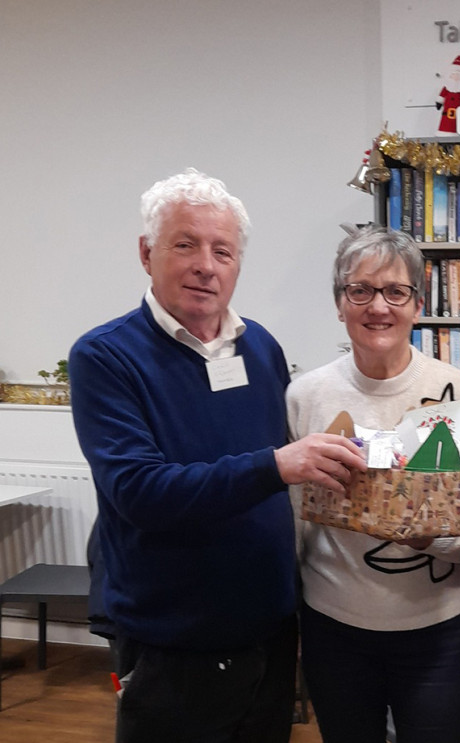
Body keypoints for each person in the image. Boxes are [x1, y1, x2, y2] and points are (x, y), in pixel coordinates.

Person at [68, 168, 366, 743]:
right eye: (186, 244)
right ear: (146, 253)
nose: (206, 265)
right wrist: (275, 466)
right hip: (173, 644)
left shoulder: (260, 347)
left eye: (222, 251)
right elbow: (139, 492)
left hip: (268, 631)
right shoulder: (105, 358)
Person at [286, 226, 460, 743]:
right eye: (360, 290)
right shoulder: (305, 396)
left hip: (434, 631)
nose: (378, 306)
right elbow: (291, 521)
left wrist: (433, 535)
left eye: (396, 292)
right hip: (332, 625)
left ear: (418, 305)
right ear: (340, 304)